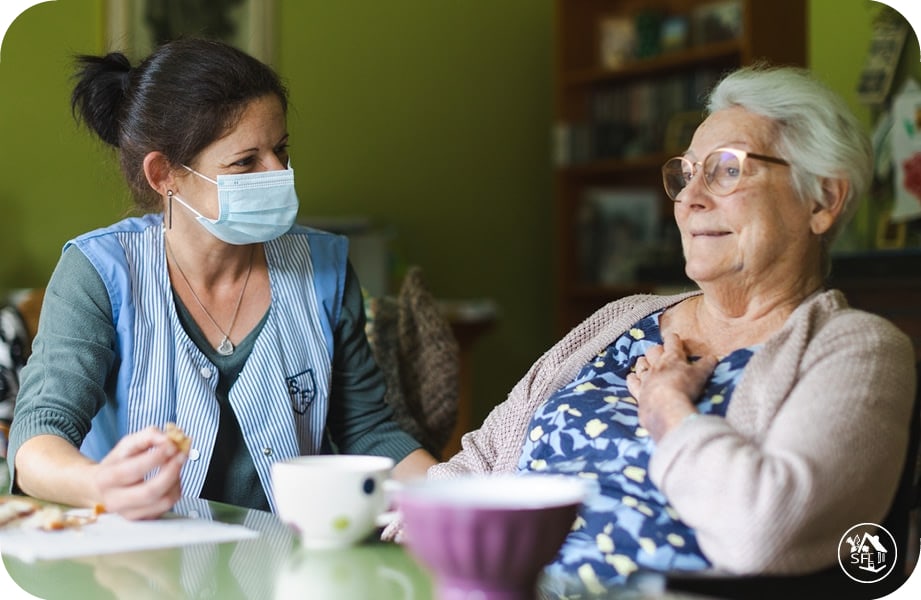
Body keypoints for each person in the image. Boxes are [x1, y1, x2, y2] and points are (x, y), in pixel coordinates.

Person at [408, 64, 917, 589]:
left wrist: (669, 411)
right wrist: (404, 538)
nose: (690, 197)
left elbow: (767, 532)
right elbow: (481, 462)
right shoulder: (622, 319)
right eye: (686, 173)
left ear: (822, 200)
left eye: (726, 170)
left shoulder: (858, 350)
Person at [8, 38, 436, 520]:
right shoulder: (100, 272)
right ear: (164, 174)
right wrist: (97, 484)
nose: (278, 172)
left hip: (287, 562)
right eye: (245, 161)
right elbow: (38, 439)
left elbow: (369, 433)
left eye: (280, 149)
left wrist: (456, 490)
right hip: (139, 573)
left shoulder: (325, 266)